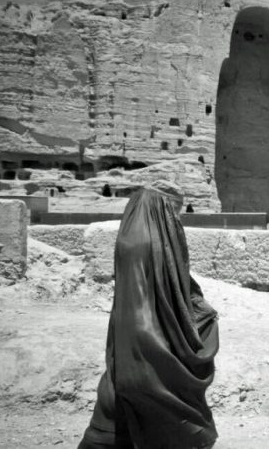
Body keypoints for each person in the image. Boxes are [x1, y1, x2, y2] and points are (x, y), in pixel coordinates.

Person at [78, 180, 219, 449]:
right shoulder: (151, 241)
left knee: (119, 389)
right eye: (174, 211)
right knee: (155, 389)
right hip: (148, 331)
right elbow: (168, 290)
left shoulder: (132, 234)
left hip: (128, 330)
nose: (176, 219)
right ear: (161, 207)